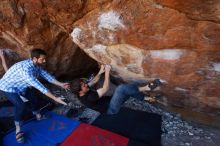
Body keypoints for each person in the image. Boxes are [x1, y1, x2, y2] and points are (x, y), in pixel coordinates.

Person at [0, 48, 69, 143]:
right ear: (35, 59)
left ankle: (38, 116)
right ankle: (18, 129)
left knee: (33, 99)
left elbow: (46, 75)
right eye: (42, 59)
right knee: (20, 105)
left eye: (45, 59)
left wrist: (61, 84)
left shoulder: (35, 65)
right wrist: (55, 98)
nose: (45, 61)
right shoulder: (25, 70)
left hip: (21, 85)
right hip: (8, 87)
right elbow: (40, 87)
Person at [77, 64, 162, 115]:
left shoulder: (81, 91)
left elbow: (93, 81)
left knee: (129, 88)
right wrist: (107, 71)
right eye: (84, 86)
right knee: (121, 89)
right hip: (111, 109)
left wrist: (100, 71)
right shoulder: (89, 98)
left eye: (84, 84)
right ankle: (147, 88)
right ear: (80, 91)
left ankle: (147, 98)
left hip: (110, 101)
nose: (86, 85)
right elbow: (105, 88)